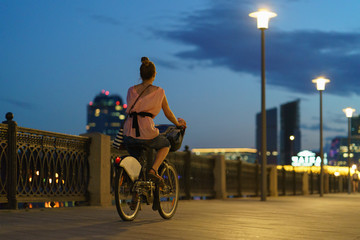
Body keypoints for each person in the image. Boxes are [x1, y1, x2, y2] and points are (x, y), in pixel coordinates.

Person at [123, 56, 186, 185]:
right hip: (146, 131)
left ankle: (136, 193)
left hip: (128, 132)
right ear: (154, 74)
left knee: (138, 163)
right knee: (165, 144)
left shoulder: (131, 90)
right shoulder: (159, 92)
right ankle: (153, 170)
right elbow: (167, 112)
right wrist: (178, 123)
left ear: (140, 74)